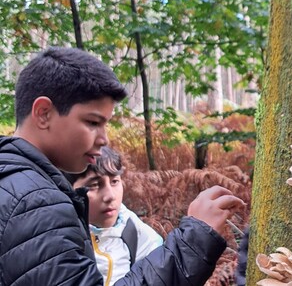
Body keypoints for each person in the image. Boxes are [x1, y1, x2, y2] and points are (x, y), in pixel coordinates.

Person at [0, 47, 245, 285]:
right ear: (43, 113)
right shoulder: (35, 202)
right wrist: (193, 241)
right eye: (93, 122)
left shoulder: (12, 182)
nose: (104, 138)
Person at [67, 146, 163, 286]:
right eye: (94, 185)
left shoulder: (141, 237)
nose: (110, 196)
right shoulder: (54, 235)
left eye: (115, 182)